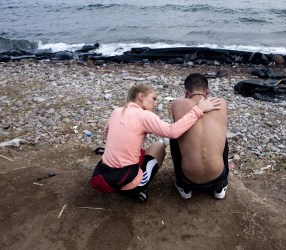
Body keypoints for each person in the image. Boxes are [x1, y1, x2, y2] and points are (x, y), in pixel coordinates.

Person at [90, 83, 221, 202]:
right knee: (158, 146)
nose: (155, 103)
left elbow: (107, 133)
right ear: (141, 97)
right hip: (129, 183)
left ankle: (124, 182)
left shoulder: (116, 111)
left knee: (143, 149)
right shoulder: (144, 116)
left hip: (104, 174)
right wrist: (198, 110)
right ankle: (133, 191)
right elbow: (173, 132)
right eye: (153, 98)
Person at [170, 73, 229, 200]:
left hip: (188, 180)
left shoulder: (177, 103)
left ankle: (183, 186)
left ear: (186, 92)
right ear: (207, 92)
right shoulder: (221, 103)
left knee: (175, 134)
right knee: (222, 134)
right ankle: (221, 186)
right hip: (217, 179)